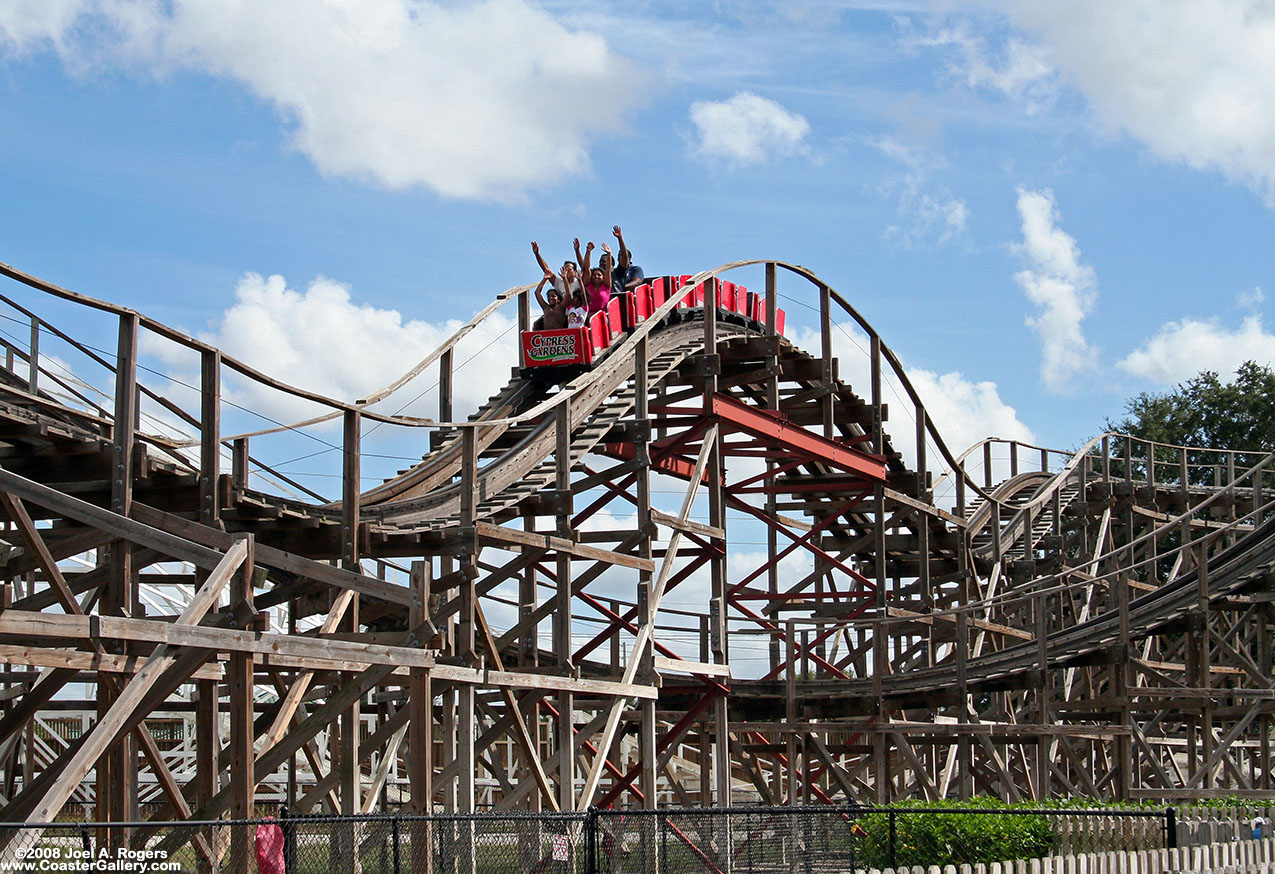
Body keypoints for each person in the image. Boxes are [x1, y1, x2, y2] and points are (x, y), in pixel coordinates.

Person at [579, 241, 613, 314]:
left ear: (603, 277)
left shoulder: (606, 286)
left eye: (599, 275)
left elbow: (608, 271)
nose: (596, 277)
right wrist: (588, 251)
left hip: (602, 316)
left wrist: (609, 254)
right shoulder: (588, 285)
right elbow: (587, 268)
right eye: (594, 275)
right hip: (588, 316)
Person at [611, 225, 645, 293]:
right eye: (619, 257)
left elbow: (637, 281)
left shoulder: (636, 269)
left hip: (628, 297)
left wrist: (620, 238)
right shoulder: (616, 271)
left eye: (622, 256)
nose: (621, 258)